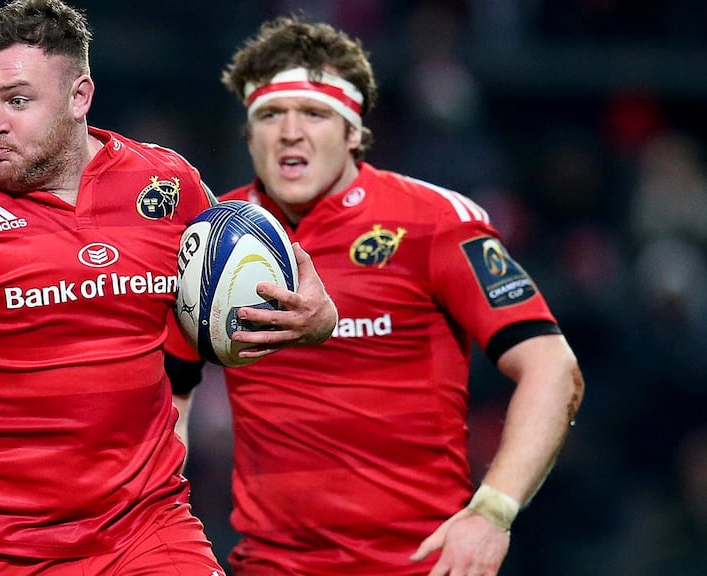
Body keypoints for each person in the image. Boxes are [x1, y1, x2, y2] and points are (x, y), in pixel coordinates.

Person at [0, 2, 336, 574]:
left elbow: (229, 299)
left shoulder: (166, 182)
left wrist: (314, 321)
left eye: (17, 100)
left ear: (79, 96)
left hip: (148, 531)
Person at [170, 16, 586, 576]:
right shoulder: (211, 238)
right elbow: (167, 391)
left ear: (353, 132)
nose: (289, 132)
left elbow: (553, 368)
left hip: (420, 565)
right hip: (268, 565)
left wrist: (492, 512)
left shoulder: (434, 223)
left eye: (314, 113)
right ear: (248, 133)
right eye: (269, 115)